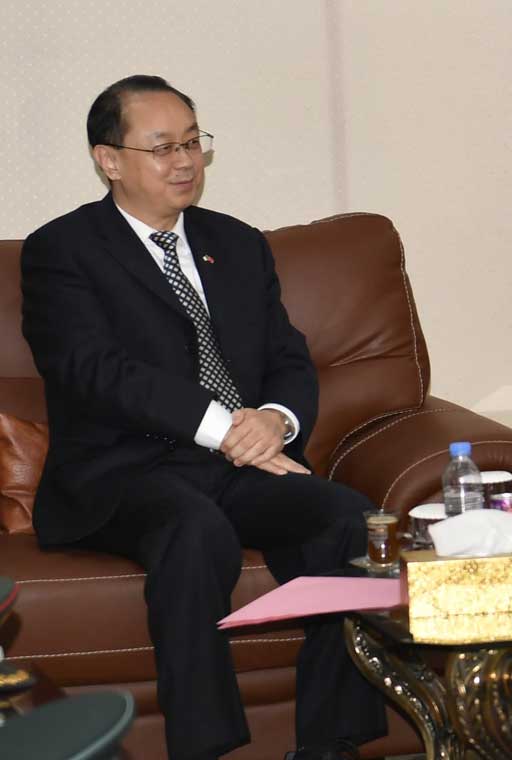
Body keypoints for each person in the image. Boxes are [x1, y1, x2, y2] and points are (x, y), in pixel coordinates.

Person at [20, 75, 384, 760]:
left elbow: (287, 355)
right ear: (109, 159)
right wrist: (225, 427)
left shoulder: (237, 243)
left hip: (241, 461)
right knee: (194, 530)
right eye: (163, 148)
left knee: (348, 521)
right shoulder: (63, 251)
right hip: (125, 469)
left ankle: (329, 745)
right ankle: (203, 747)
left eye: (193, 143)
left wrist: (274, 420)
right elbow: (94, 370)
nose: (185, 161)